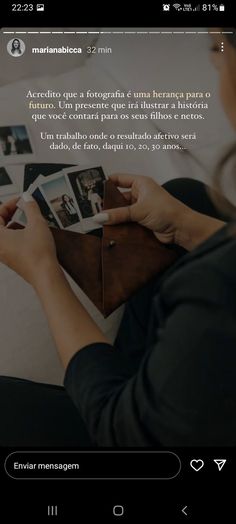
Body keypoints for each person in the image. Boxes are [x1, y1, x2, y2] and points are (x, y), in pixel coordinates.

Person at [0, 30, 236, 446]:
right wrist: (186, 224)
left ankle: (128, 376)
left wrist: (42, 270)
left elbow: (124, 431)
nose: (214, 62)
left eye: (217, 49)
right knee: (187, 197)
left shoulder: (215, 291)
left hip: (149, 431)